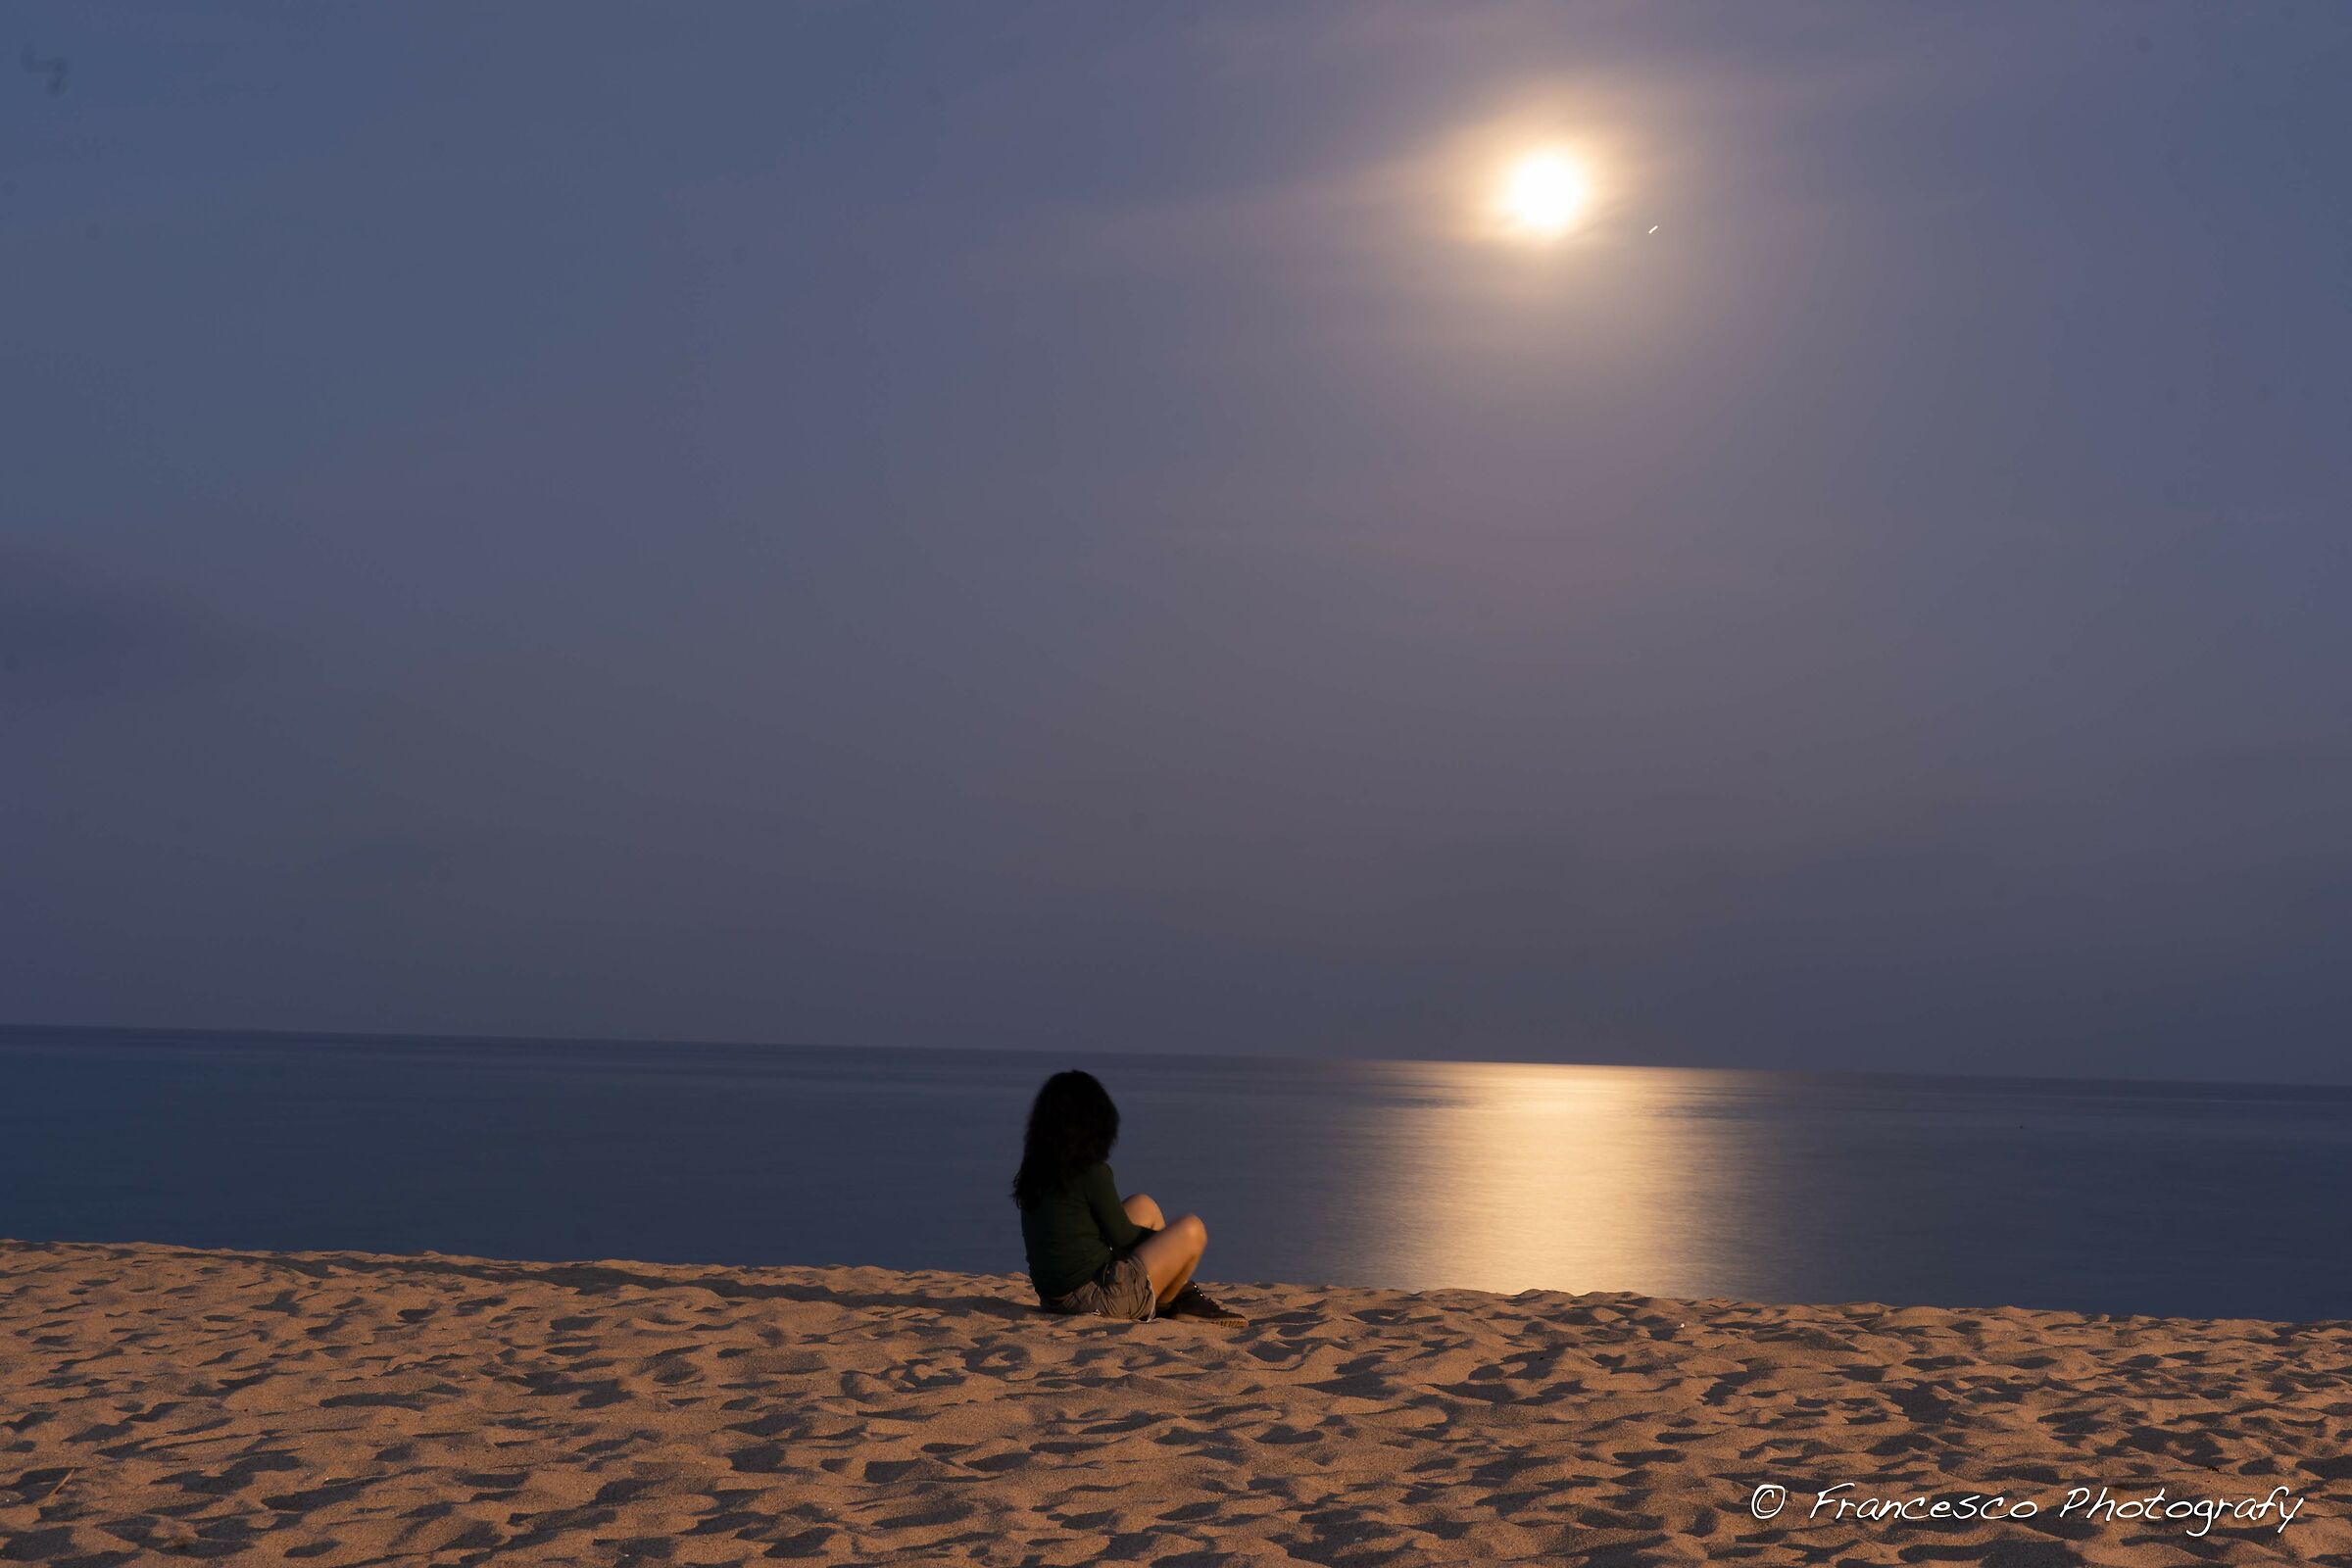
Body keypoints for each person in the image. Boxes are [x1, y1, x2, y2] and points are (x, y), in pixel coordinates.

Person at [1011, 1069, 1243, 1323]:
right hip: (1096, 1297)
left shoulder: (1037, 1168)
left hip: (1055, 1297)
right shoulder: (1089, 1171)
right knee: (1192, 1230)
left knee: (1144, 1205)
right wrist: (1168, 1246)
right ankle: (1174, 1301)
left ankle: (1175, 1295)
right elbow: (1123, 1236)